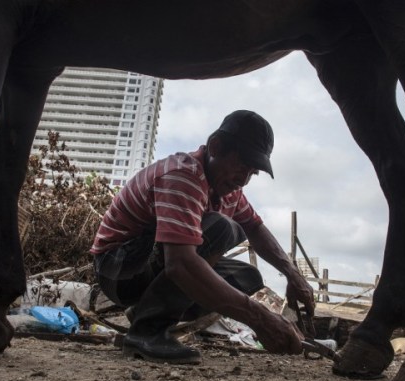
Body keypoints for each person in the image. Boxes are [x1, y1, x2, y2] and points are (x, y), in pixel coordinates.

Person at [91, 110, 315, 364]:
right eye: (242, 165)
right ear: (215, 147)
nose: (244, 179)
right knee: (222, 229)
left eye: (252, 173)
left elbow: (254, 228)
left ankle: (145, 311)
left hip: (149, 263)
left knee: (246, 277)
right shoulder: (182, 175)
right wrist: (260, 318)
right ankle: (146, 332)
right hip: (118, 268)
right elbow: (181, 263)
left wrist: (292, 275)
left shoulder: (229, 189)